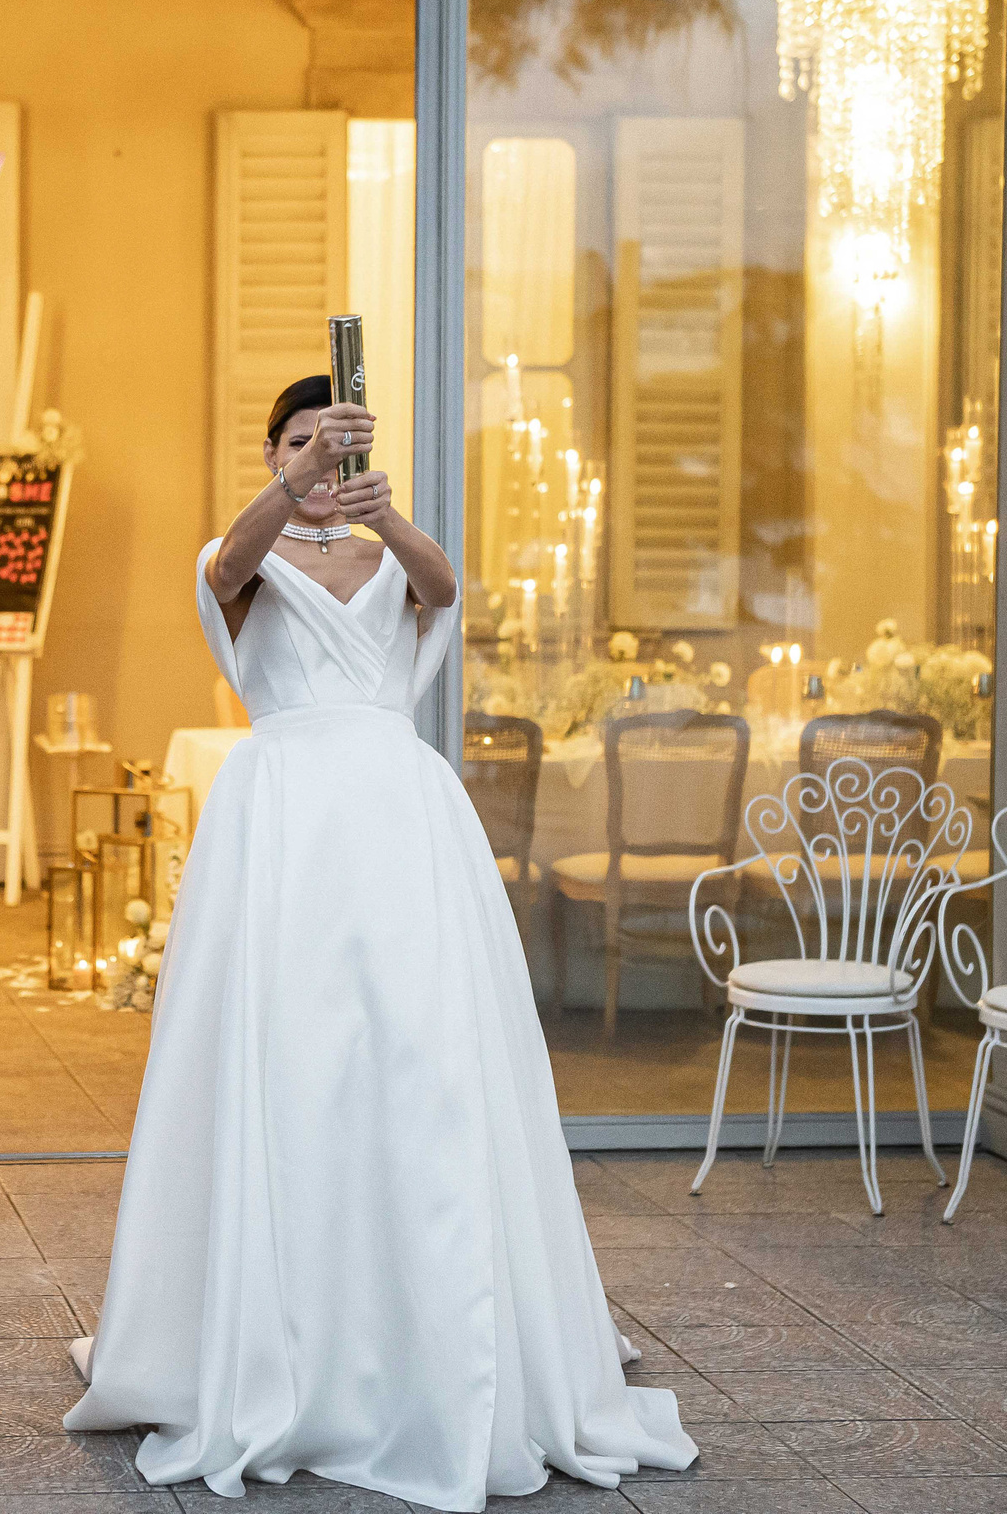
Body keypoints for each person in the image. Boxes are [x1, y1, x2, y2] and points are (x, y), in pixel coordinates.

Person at [63, 376, 698, 1508]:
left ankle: (430, 1329)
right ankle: (274, 1336)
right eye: (297, 442)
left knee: (421, 1062)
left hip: (401, 817)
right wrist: (295, 490)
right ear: (272, 450)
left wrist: (382, 511)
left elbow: (443, 586)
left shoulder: (390, 553)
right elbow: (223, 573)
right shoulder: (240, 553)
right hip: (285, 823)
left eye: (333, 441)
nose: (315, 457)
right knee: (289, 1062)